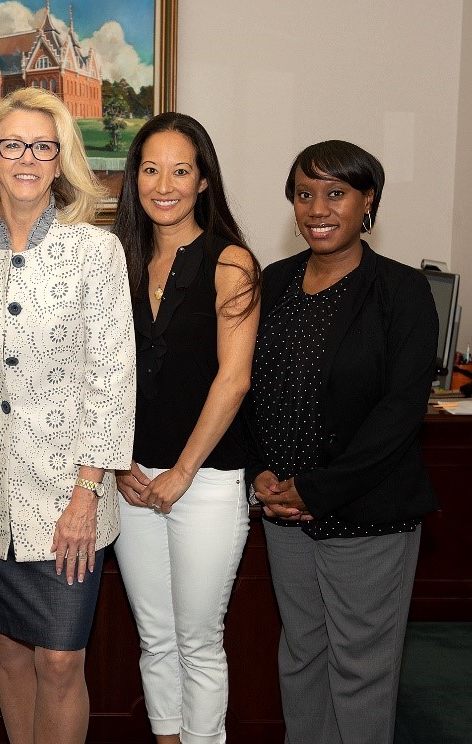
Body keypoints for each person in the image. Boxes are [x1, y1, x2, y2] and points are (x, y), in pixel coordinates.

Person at [0, 87, 135, 744]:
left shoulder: (96, 253)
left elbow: (113, 379)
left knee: (59, 658)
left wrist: (87, 492)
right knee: (11, 651)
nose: (26, 157)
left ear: (61, 159)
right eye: (12, 143)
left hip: (70, 496)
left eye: (42, 146)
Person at [247, 140, 438, 744]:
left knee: (361, 666)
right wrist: (262, 473)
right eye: (305, 195)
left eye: (336, 193)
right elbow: (246, 390)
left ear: (367, 201)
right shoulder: (271, 284)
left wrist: (318, 488)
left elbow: (400, 412)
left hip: (367, 513)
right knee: (302, 652)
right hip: (283, 510)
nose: (318, 208)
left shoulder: (403, 292)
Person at [111, 112, 261, 744]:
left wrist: (181, 473)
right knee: (155, 639)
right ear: (134, 179)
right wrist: (120, 465)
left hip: (206, 482)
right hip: (132, 483)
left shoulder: (232, 263)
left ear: (204, 181)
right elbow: (100, 374)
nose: (163, 183)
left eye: (180, 169)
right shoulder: (115, 258)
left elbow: (233, 380)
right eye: (150, 168)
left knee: (199, 642)